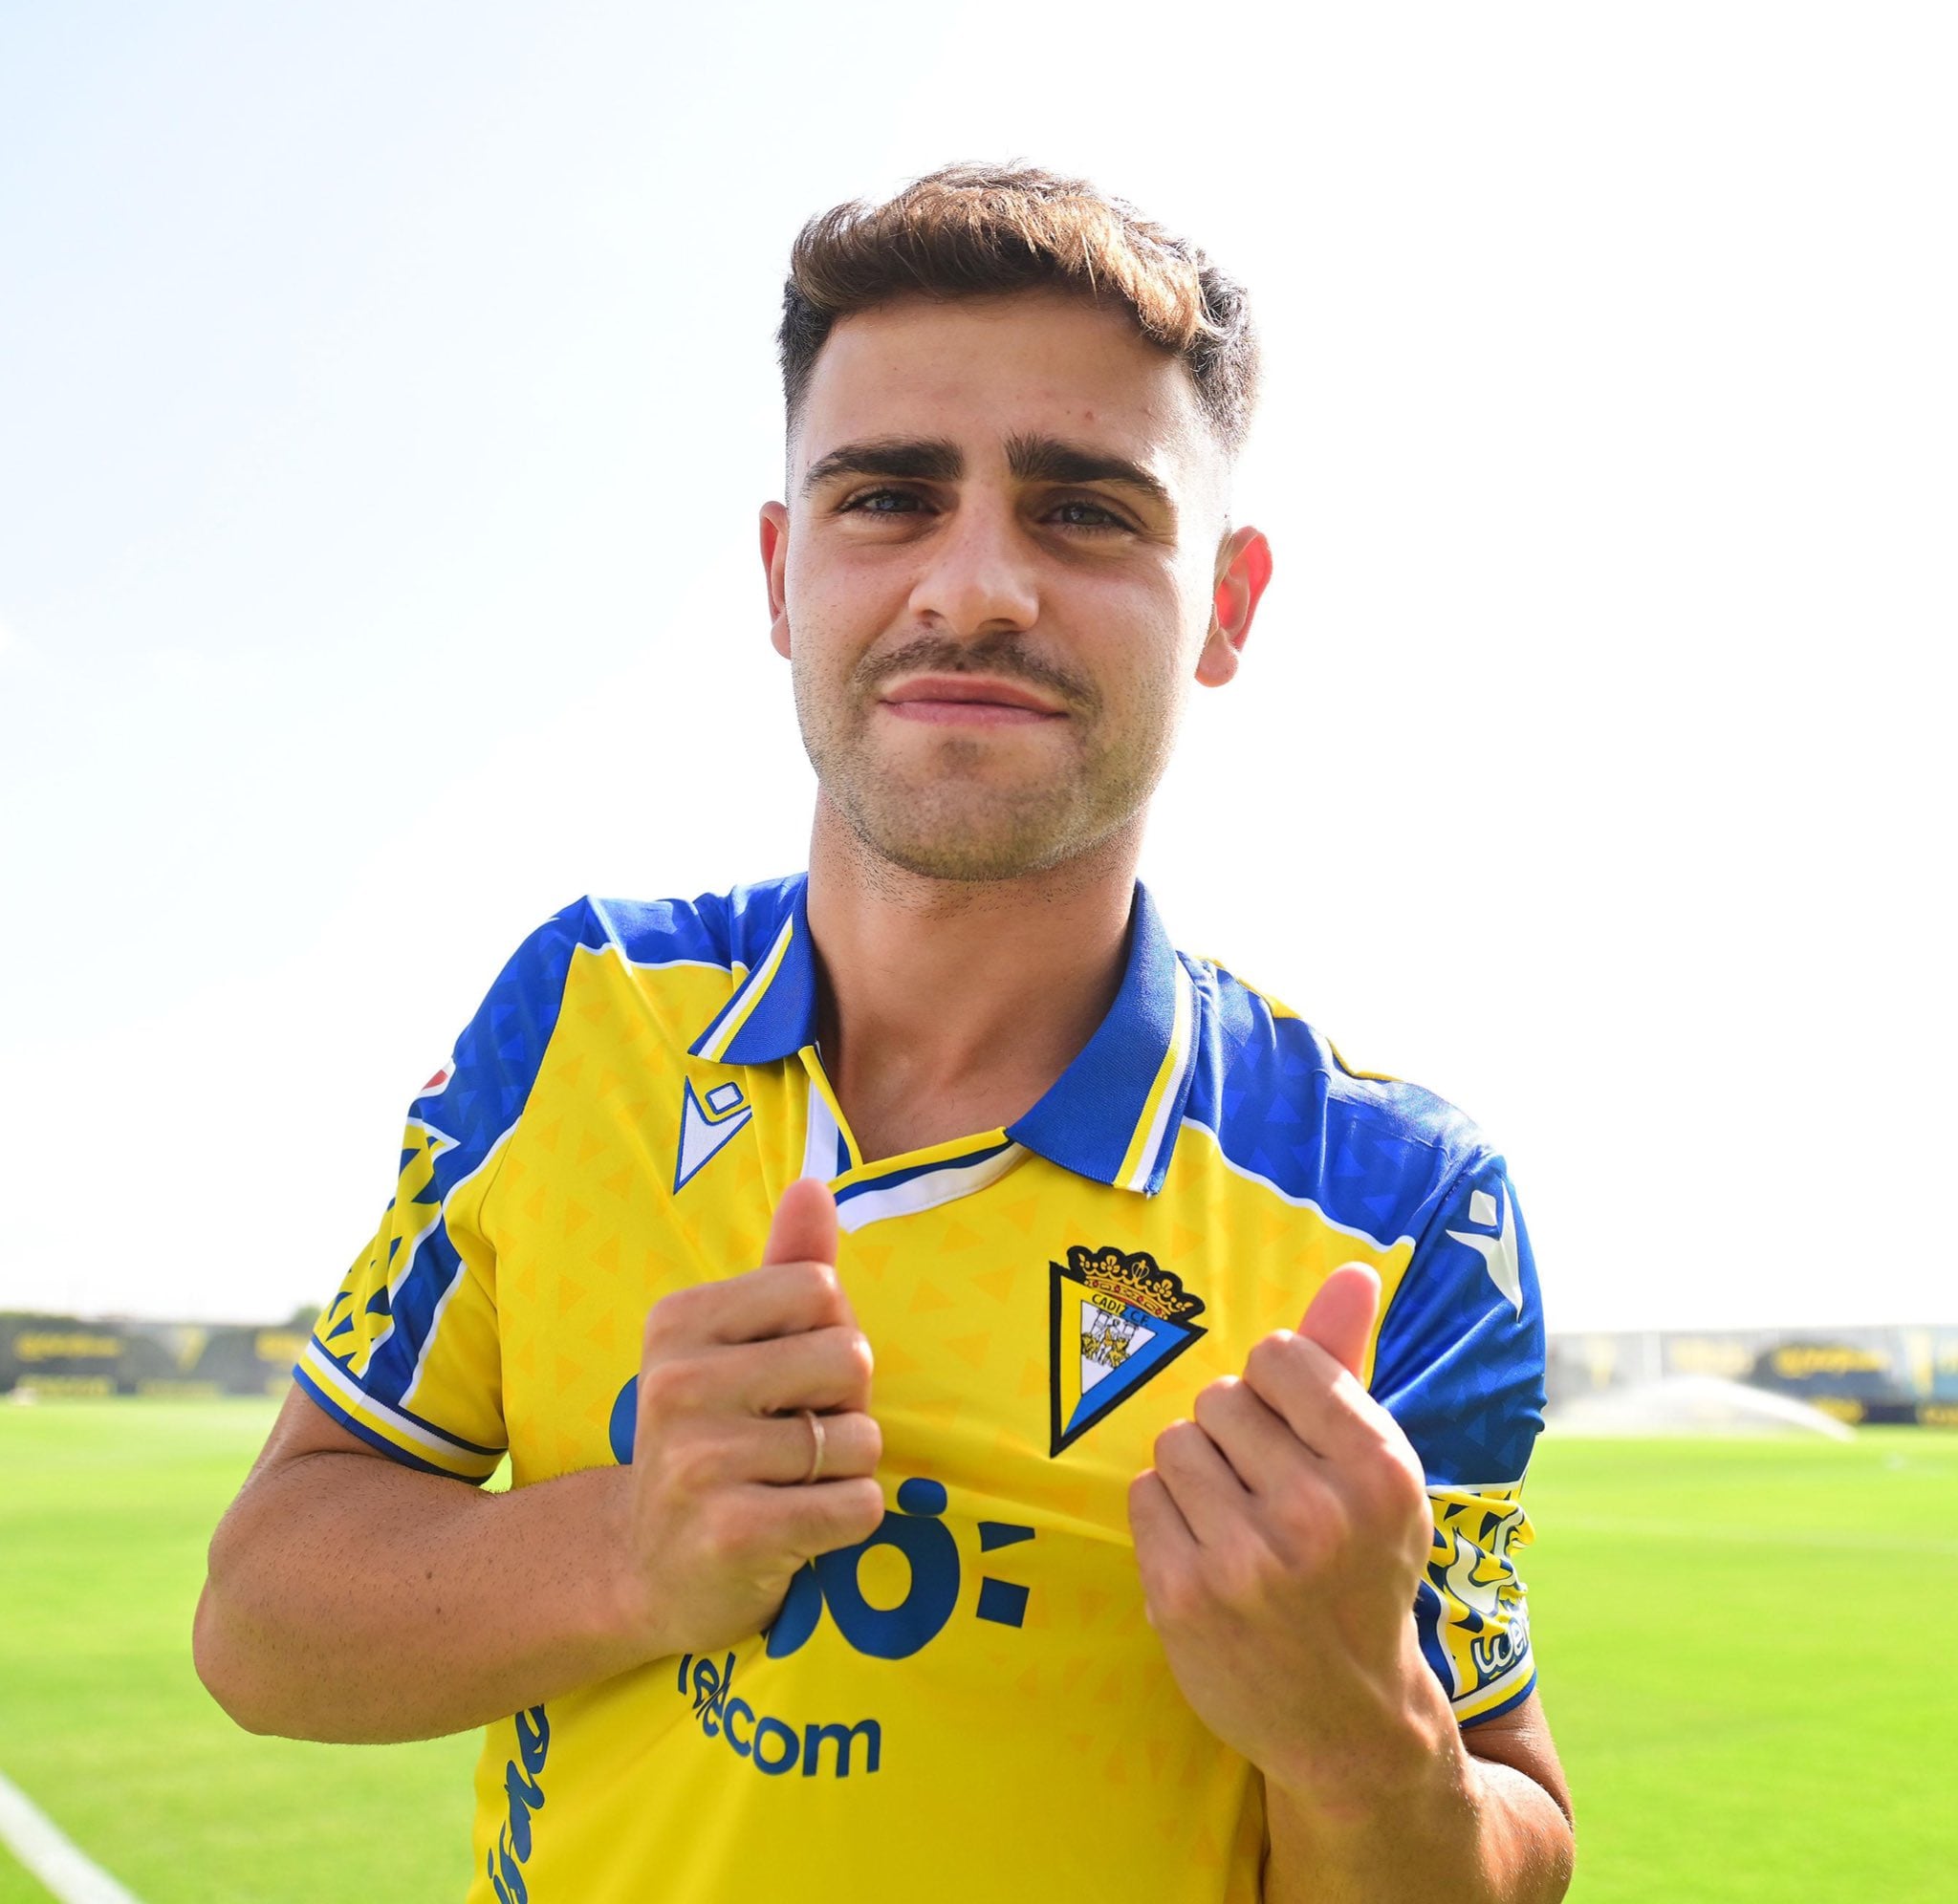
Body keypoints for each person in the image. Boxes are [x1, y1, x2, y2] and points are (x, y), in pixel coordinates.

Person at [194, 162, 1576, 1903]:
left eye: (1084, 510)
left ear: (1227, 603)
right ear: (783, 575)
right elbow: (259, 1628)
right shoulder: (587, 1015)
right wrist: (629, 1548)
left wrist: (1354, 1737)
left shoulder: (1394, 1199)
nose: (976, 585)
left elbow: (1515, 1846)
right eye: (888, 498)